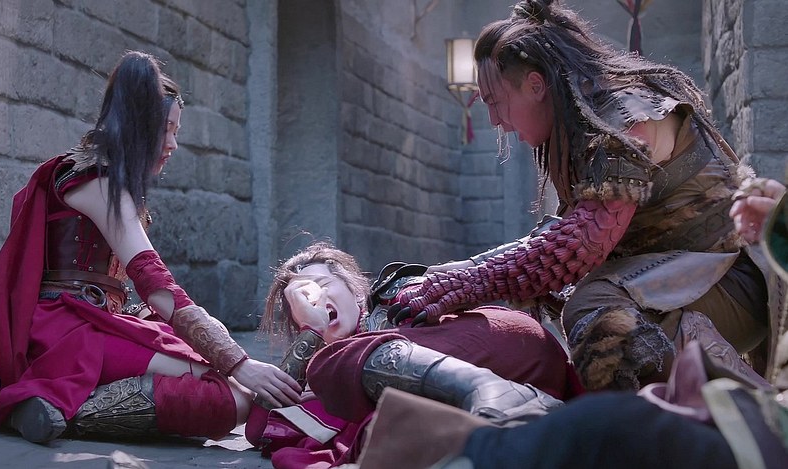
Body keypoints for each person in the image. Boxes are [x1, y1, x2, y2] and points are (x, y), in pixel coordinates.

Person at [388, 0, 774, 392]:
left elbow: (582, 242)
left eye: (495, 102)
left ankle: (726, 399)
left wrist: (469, 281)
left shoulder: (627, 118)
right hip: (686, 279)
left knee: (593, 308)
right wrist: (460, 272)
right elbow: (562, 236)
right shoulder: (589, 122)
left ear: (535, 85)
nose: (495, 121)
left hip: (728, 284)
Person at [0, 51, 301, 444]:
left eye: (176, 131)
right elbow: (155, 282)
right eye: (166, 129)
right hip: (67, 335)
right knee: (230, 397)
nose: (173, 144)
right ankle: (49, 407)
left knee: (222, 375)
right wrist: (239, 362)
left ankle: (48, 405)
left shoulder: (105, 181)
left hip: (94, 323)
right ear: (140, 125)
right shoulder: (98, 182)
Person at [354, 176, 788, 469]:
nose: (316, 294)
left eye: (325, 279)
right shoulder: (339, 356)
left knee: (602, 426)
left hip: (758, 425)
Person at [244, 242, 582, 468]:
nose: (315, 299)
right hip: (515, 392)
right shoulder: (331, 368)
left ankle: (499, 396)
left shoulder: (394, 295)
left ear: (352, 288)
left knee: (334, 365)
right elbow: (259, 429)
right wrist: (312, 331)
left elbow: (444, 293)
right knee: (381, 418)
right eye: (301, 300)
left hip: (510, 345)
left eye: (321, 285)